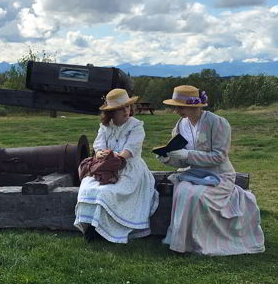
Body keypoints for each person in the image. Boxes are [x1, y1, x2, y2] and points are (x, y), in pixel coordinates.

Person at [157, 85, 264, 256]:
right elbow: (181, 157)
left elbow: (219, 156)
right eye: (175, 106)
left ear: (195, 106)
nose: (176, 110)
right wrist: (168, 158)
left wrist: (188, 154)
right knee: (183, 190)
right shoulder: (180, 125)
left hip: (220, 175)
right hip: (193, 174)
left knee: (197, 195)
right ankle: (182, 243)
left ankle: (202, 241)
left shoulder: (217, 123)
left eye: (180, 106)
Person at [75, 88, 159, 243]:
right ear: (111, 112)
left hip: (129, 169)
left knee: (107, 193)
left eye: (127, 107)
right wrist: (100, 154)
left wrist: (115, 156)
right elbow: (99, 145)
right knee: (88, 187)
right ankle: (92, 228)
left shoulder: (136, 126)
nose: (126, 111)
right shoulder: (105, 126)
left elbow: (129, 150)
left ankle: (107, 231)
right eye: (120, 109)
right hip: (105, 168)